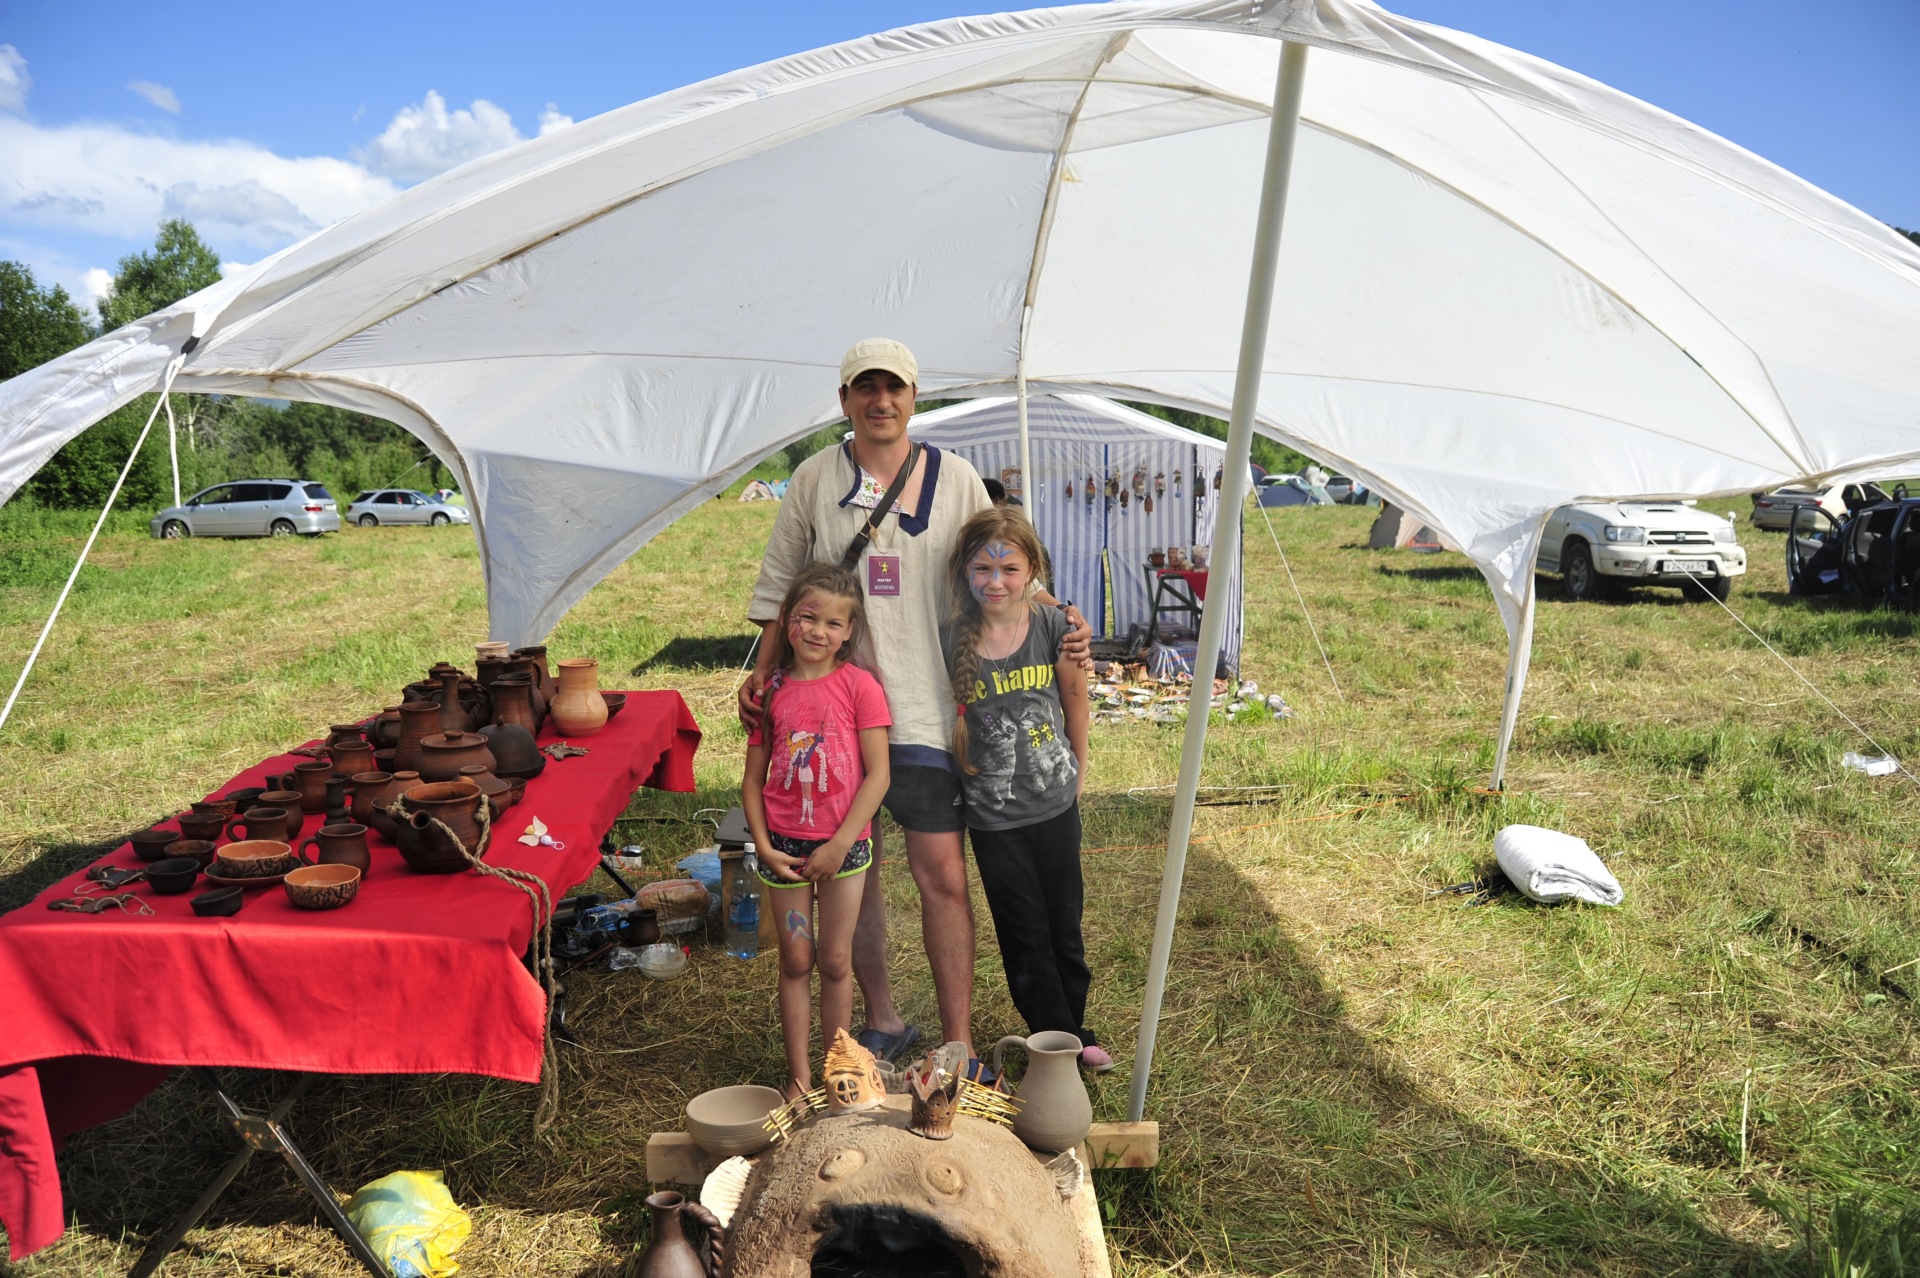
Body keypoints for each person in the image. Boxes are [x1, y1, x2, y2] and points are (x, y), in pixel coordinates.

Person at [742, 338, 1091, 1072]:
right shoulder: (814, 479)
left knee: (943, 878)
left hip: (931, 712)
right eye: (865, 388)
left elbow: (1003, 560)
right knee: (855, 877)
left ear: (913, 396)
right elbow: (779, 590)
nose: (881, 401)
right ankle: (883, 1019)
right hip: (837, 719)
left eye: (893, 388)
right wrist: (763, 678)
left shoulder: (954, 477)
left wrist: (1062, 616)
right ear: (844, 400)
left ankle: (957, 1040)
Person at [941, 508, 1108, 1071]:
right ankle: (1054, 1039)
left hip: (1055, 804)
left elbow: (1076, 703)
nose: (995, 581)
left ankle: (1075, 1029)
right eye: (982, 568)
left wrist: (1078, 772)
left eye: (1009, 569)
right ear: (964, 572)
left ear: (1032, 569)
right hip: (994, 820)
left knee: (1065, 925)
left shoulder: (1055, 628)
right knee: (1023, 933)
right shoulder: (950, 639)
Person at [742, 563, 893, 1097]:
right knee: (795, 960)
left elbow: (879, 775)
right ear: (788, 619)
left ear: (849, 632)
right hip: (783, 849)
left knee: (834, 960)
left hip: (843, 849)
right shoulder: (770, 693)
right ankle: (800, 1079)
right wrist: (763, 847)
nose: (817, 632)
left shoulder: (860, 688)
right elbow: (752, 781)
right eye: (808, 618)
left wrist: (840, 843)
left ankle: (839, 1073)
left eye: (832, 623)